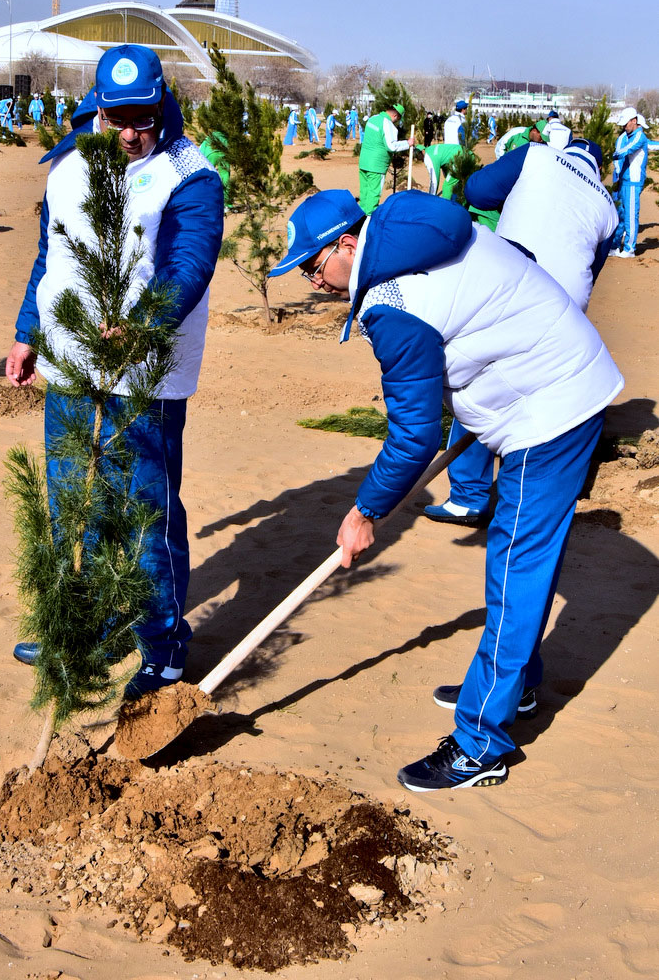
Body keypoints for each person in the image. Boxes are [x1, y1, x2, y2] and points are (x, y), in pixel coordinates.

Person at [267, 187, 623, 790]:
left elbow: (411, 438)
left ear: (347, 245)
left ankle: (481, 742)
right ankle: (518, 684)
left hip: (552, 410)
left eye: (312, 265)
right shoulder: (411, 230)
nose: (311, 282)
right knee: (517, 567)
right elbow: (515, 264)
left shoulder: (393, 303)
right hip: (552, 382)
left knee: (515, 564)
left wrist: (365, 511)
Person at [5, 44, 224, 700]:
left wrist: (143, 328)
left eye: (143, 120)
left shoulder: (189, 174)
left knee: (144, 513)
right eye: (116, 119)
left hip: (145, 373)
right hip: (70, 363)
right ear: (98, 110)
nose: (130, 134)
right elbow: (51, 257)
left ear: (162, 106)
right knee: (76, 506)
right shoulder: (72, 161)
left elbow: (189, 266)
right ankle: (85, 628)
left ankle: (163, 648)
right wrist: (26, 334)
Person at [425, 138, 618, 525]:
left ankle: (469, 496)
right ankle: (547, 482)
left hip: (512, 284)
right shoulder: (610, 208)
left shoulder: (538, 154)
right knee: (543, 386)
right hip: (563, 303)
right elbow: (592, 270)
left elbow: (476, 190)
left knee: (477, 380)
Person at [358, 103, 414, 214]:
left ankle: (360, 219)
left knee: (364, 194)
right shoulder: (388, 124)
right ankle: (368, 221)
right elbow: (391, 146)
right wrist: (407, 143)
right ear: (395, 116)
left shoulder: (373, 118)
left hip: (364, 162)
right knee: (373, 195)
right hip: (376, 166)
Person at [609, 106, 648, 258]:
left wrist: (613, 155)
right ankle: (615, 246)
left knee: (631, 215)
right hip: (623, 181)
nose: (624, 127)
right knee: (620, 215)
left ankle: (629, 248)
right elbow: (620, 151)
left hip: (633, 182)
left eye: (626, 123)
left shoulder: (640, 136)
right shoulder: (624, 136)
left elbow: (626, 150)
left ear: (634, 121)